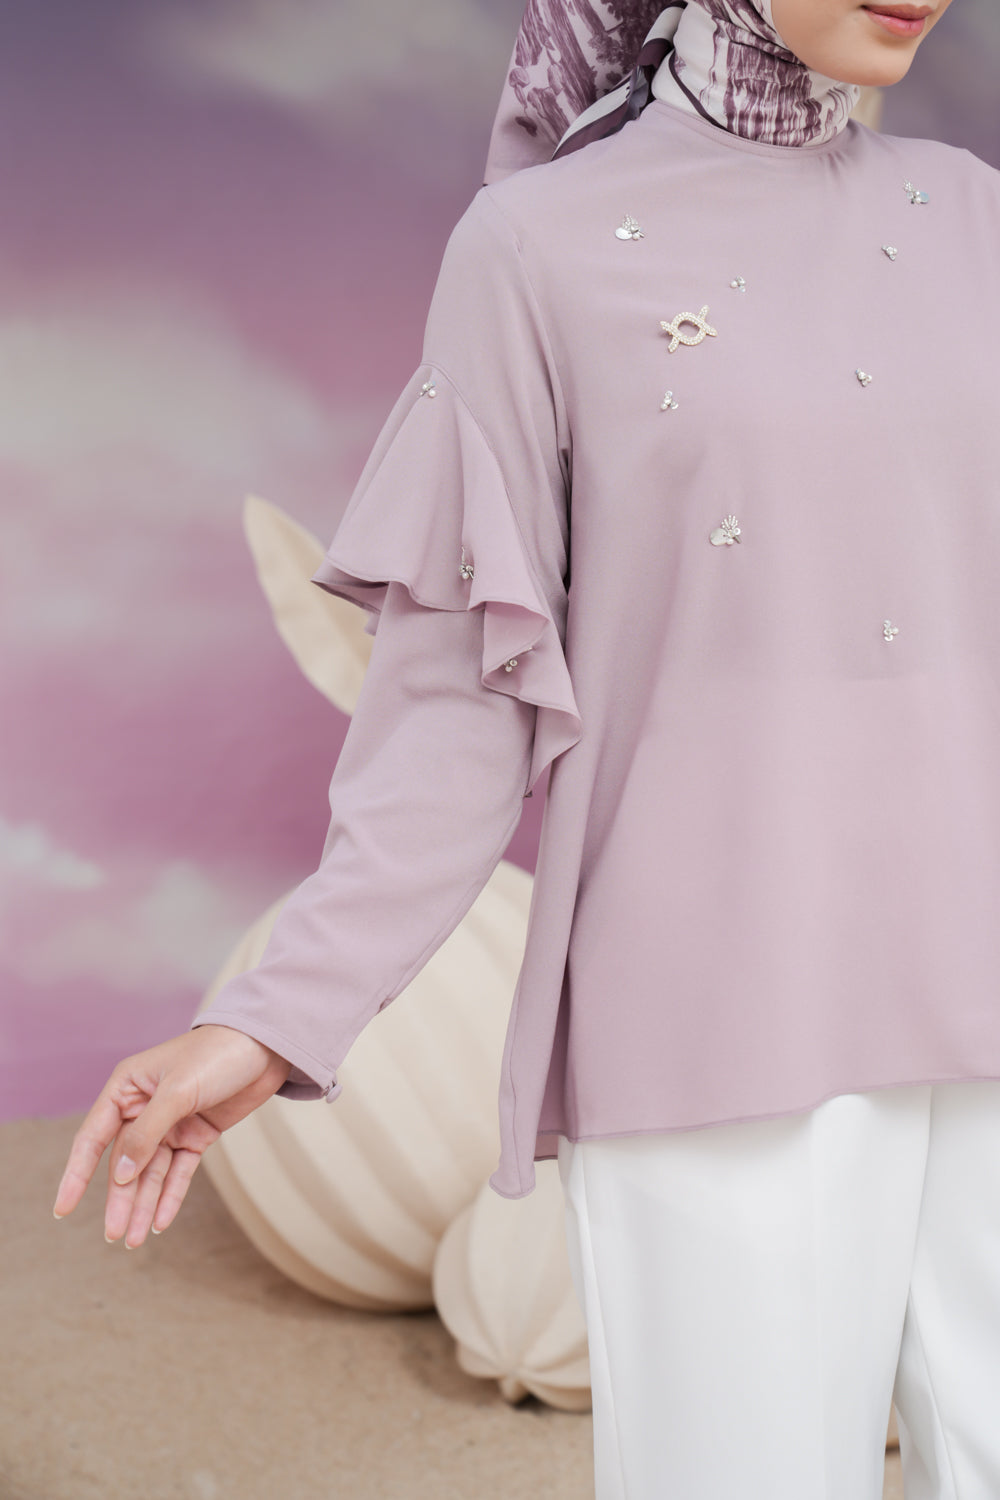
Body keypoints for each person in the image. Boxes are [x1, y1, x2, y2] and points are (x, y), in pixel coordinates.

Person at [55, 2, 1000, 1494]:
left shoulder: (970, 216)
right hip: (721, 1013)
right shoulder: (540, 246)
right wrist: (282, 1013)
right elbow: (459, 692)